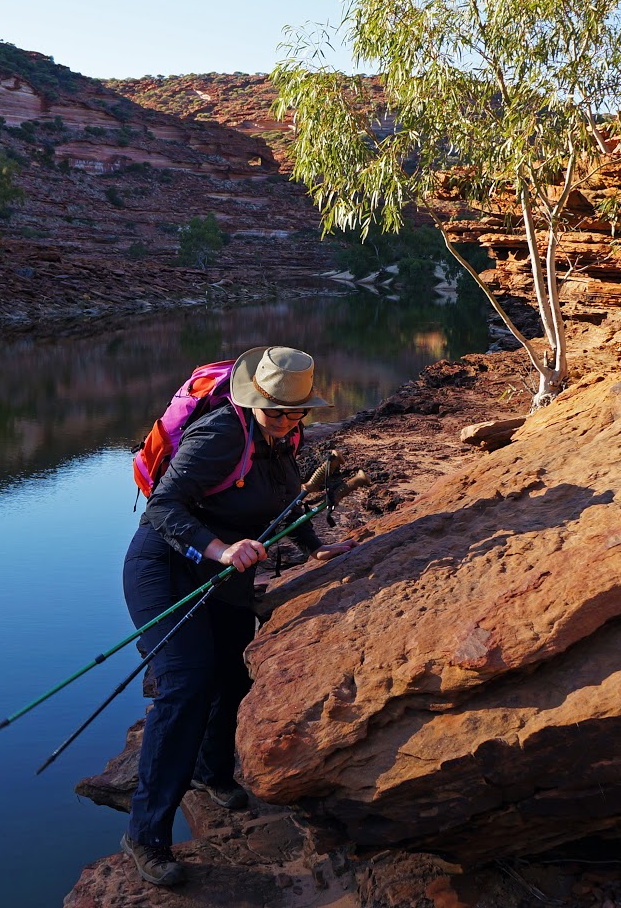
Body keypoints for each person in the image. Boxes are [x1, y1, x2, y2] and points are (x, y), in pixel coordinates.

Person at [119, 345, 355, 887]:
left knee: (231, 672)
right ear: (252, 401)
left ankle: (210, 773)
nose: (287, 421)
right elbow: (163, 508)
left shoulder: (284, 436)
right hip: (165, 565)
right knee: (185, 683)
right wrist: (221, 549)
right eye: (276, 411)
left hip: (223, 572)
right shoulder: (220, 435)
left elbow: (285, 499)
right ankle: (145, 834)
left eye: (296, 412)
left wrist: (312, 545)